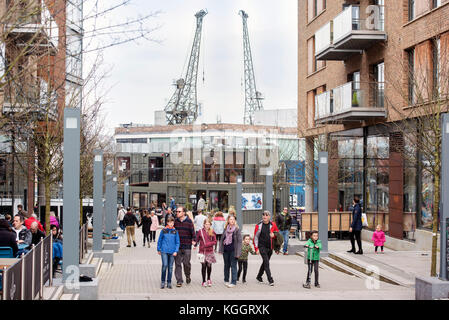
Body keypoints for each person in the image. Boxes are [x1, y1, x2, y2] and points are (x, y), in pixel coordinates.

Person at [253, 210, 279, 286]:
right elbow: (255, 237)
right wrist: (256, 248)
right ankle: (270, 280)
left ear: (269, 217)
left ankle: (259, 276)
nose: (265, 216)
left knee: (265, 262)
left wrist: (274, 235)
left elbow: (278, 234)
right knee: (266, 263)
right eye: (263, 215)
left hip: (270, 247)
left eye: (266, 215)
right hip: (262, 246)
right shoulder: (258, 225)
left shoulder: (273, 225)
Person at [174, 206, 195, 287]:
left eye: (179, 211)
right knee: (178, 264)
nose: (177, 213)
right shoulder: (175, 221)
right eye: (177, 211)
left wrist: (194, 241)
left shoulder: (189, 222)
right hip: (177, 246)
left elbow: (193, 233)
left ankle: (188, 275)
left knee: (186, 263)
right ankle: (179, 281)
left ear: (183, 212)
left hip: (187, 246)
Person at [219, 215, 242, 288]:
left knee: (233, 266)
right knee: (226, 265)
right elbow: (222, 239)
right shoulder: (225, 229)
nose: (232, 221)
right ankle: (226, 280)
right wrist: (220, 249)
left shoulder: (237, 230)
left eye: (233, 219)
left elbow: (239, 242)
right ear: (228, 220)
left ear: (235, 221)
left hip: (233, 251)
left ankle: (233, 282)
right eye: (230, 219)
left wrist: (238, 253)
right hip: (226, 250)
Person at [157, 216, 180, 289]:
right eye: (170, 222)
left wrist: (176, 251)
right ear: (167, 223)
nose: (171, 224)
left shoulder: (175, 231)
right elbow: (159, 240)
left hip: (172, 252)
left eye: (172, 222)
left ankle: (169, 282)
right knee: (165, 265)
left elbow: (177, 242)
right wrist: (158, 249)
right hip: (164, 251)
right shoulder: (163, 230)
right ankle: (163, 281)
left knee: (170, 267)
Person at [195, 219, 217, 287]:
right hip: (202, 251)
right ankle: (203, 281)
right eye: (206, 224)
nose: (207, 225)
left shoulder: (212, 231)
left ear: (210, 225)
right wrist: (194, 243)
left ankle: (209, 279)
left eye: (208, 224)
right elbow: (197, 240)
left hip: (210, 251)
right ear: (204, 224)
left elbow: (215, 241)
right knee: (203, 266)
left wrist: (208, 244)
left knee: (209, 266)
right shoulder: (200, 231)